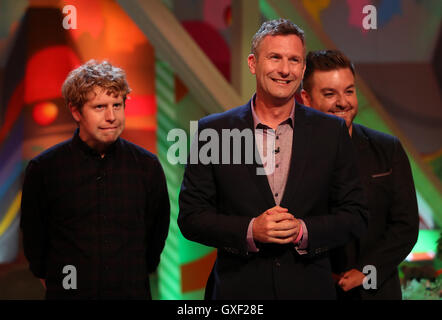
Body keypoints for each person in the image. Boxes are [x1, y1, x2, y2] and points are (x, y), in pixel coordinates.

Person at [178, 19, 368, 299]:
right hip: (238, 293)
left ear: (303, 69)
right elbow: (192, 217)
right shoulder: (213, 132)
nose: (284, 69)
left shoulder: (332, 132)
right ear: (253, 63)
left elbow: (356, 215)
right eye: (275, 57)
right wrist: (250, 230)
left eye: (294, 60)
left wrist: (304, 231)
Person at [20, 60, 170, 299]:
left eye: (117, 105)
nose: (111, 116)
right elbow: (34, 238)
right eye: (100, 107)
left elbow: (157, 233)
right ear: (76, 111)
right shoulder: (44, 169)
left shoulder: (147, 166)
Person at [301, 49, 419, 299]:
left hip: (376, 292)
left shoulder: (388, 149)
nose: (343, 102)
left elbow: (406, 226)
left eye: (349, 91)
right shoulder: (291, 154)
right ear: (306, 99)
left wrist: (367, 272)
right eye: (330, 93)